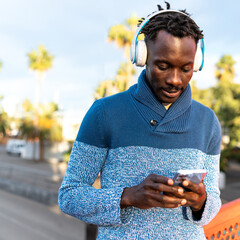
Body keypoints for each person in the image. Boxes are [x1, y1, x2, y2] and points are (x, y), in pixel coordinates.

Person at [58, 3, 221, 239]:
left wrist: (201, 201)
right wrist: (127, 196)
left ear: (196, 64)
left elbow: (213, 201)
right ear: (142, 57)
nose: (175, 80)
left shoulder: (207, 121)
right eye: (163, 66)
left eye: (186, 69)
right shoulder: (104, 112)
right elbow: (69, 196)